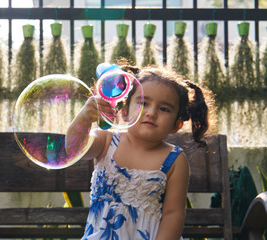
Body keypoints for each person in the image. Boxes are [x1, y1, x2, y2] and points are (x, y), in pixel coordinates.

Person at [66, 64, 215, 240]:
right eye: (143, 103)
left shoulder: (174, 159)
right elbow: (72, 149)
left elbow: (173, 214)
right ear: (124, 111)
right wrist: (84, 117)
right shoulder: (106, 141)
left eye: (164, 109)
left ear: (176, 124)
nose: (151, 113)